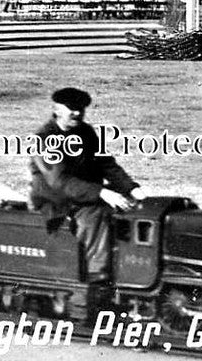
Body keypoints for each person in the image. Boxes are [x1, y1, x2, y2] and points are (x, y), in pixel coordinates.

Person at [29, 87, 143, 282]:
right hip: (55, 199)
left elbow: (106, 163)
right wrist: (102, 193)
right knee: (94, 214)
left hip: (85, 193)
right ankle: (93, 274)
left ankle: (125, 266)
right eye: (71, 108)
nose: (77, 113)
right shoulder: (45, 137)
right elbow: (59, 182)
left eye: (81, 108)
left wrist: (131, 188)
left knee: (127, 205)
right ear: (56, 109)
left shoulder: (86, 132)